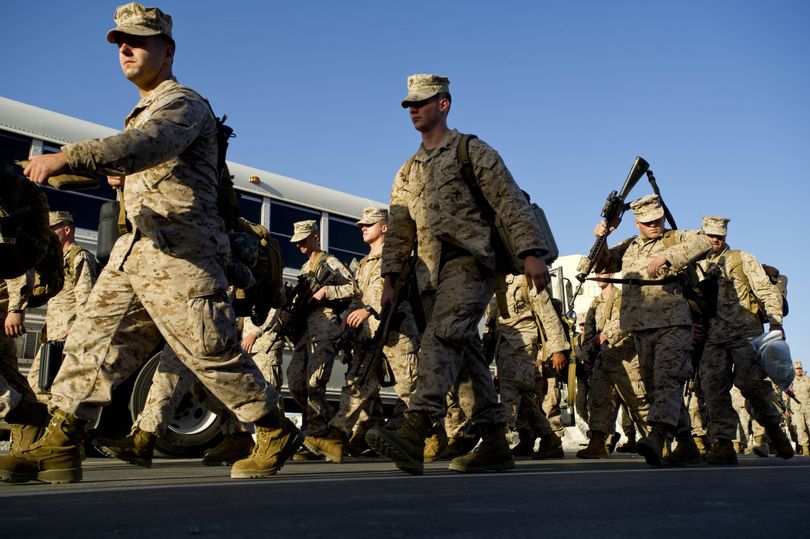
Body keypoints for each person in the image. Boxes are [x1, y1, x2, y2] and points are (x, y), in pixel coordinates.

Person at [3, 2, 300, 484]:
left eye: (138, 40)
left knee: (207, 349)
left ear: (167, 51)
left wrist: (67, 156)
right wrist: (39, 174)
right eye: (120, 41)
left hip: (183, 253)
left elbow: (145, 147)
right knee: (91, 343)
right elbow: (127, 163)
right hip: (136, 251)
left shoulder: (182, 104)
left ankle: (272, 429)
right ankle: (60, 443)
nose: (125, 48)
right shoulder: (140, 113)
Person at [365, 74, 551, 475]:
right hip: (427, 275)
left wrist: (531, 252)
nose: (413, 109)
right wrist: (391, 279)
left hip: (470, 262)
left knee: (442, 336)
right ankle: (496, 441)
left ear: (444, 104)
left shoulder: (472, 150)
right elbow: (399, 229)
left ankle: (416, 428)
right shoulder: (407, 171)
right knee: (464, 357)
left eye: (422, 102)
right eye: (409, 104)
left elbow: (510, 202)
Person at [592, 194, 712, 467]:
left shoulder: (675, 238)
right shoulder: (629, 247)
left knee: (668, 379)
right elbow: (602, 265)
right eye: (647, 222)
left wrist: (668, 256)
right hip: (640, 328)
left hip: (674, 323)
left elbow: (704, 241)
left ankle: (657, 437)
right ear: (636, 223)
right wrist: (602, 237)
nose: (654, 224)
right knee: (655, 387)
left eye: (657, 219)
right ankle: (686, 443)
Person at [304, 207, 420, 463]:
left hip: (396, 331)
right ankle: (336, 435)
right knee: (357, 384)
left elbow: (398, 289)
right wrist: (349, 314)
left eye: (369, 224)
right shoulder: (365, 262)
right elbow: (357, 293)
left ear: (385, 227)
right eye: (361, 226)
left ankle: (414, 436)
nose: (363, 228)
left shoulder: (398, 255)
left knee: (408, 388)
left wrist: (369, 310)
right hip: (369, 336)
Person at [697, 216, 792, 464]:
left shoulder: (742, 259)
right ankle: (724, 443)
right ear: (703, 234)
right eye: (711, 235)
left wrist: (775, 322)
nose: (715, 240)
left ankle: (774, 430)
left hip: (746, 335)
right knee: (713, 388)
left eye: (720, 236)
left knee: (751, 386)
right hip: (714, 337)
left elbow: (764, 290)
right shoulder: (697, 265)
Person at [283, 220, 353, 443]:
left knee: (315, 382)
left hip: (324, 329)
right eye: (297, 241)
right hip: (305, 332)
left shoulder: (330, 262)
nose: (299, 245)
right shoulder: (305, 268)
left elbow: (355, 287)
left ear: (315, 237)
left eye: (303, 240)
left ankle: (316, 432)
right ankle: (327, 420)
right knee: (294, 381)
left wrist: (327, 292)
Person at [484, 275, 568, 459]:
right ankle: (549, 439)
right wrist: (486, 352)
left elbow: (548, 314)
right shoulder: (493, 282)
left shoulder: (525, 279)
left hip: (522, 345)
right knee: (524, 397)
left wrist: (558, 350)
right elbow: (491, 322)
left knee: (510, 391)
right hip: (503, 346)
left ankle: (498, 442)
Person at [27, 211, 99, 403]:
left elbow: (87, 300)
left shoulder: (79, 256)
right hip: (54, 338)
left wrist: (76, 333)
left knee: (49, 391)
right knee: (38, 389)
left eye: (52, 230)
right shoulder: (56, 260)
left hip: (68, 339)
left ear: (66, 229)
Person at [577, 274, 649, 458]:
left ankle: (656, 440)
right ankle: (598, 443)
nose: (600, 276)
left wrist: (607, 333)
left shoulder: (623, 297)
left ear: (611, 275)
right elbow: (589, 334)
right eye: (598, 272)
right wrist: (587, 356)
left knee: (638, 401)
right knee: (598, 400)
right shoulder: (595, 303)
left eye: (604, 272)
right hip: (603, 358)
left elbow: (630, 319)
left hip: (625, 357)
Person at [790, 362, 810, 455]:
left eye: (800, 368)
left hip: (808, 407)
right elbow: (786, 396)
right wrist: (786, 409)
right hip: (796, 409)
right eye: (797, 368)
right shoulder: (790, 381)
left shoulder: (807, 380)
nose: (799, 370)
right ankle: (805, 447)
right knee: (800, 428)